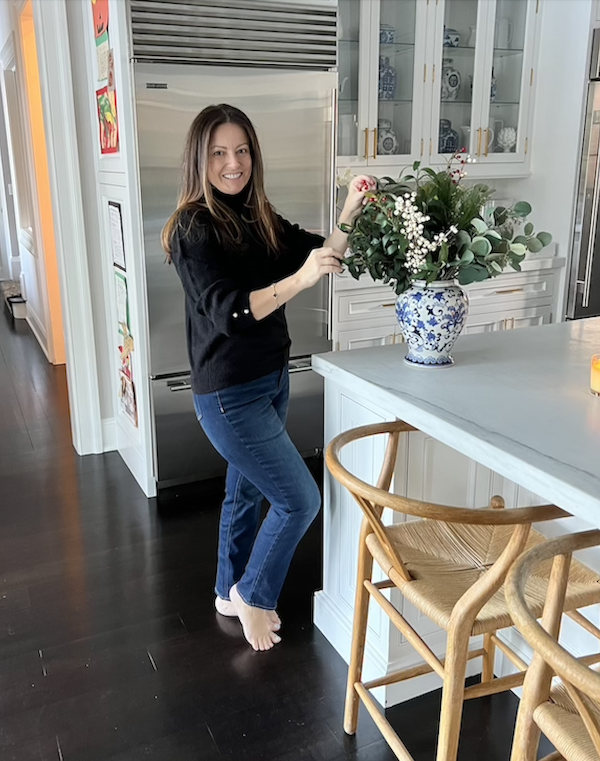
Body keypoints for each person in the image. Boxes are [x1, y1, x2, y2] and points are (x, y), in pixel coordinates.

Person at [162, 104, 374, 651]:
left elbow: (320, 252)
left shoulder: (257, 216)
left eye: (242, 151)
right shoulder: (193, 225)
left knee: (244, 492)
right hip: (230, 394)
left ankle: (225, 591)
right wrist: (299, 281)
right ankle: (256, 594)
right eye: (219, 153)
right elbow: (229, 312)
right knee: (300, 500)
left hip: (270, 379)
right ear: (199, 159)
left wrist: (351, 206)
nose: (233, 163)